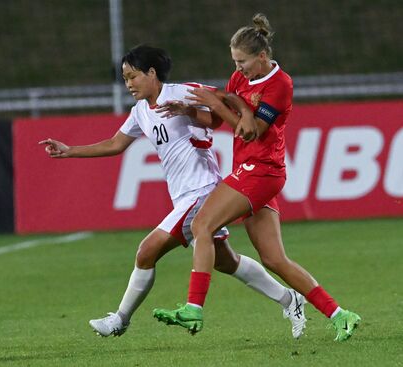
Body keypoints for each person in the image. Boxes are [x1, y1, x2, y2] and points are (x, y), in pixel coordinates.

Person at [39, 44, 307, 339]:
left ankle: (120, 319)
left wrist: (217, 113)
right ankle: (289, 299)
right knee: (225, 261)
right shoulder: (141, 111)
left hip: (202, 189)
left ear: (152, 73)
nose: (128, 84)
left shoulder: (180, 92)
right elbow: (116, 144)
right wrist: (70, 151)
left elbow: (226, 98)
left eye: (133, 76)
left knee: (146, 251)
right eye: (125, 79)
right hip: (182, 194)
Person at [153, 14, 361, 342]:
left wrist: (220, 104)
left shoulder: (281, 84)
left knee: (201, 226)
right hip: (250, 171)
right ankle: (340, 314)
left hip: (262, 170)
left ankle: (194, 307)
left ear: (262, 57)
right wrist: (192, 111)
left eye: (243, 62)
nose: (238, 69)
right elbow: (222, 119)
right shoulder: (239, 79)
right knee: (274, 258)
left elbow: (250, 131)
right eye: (234, 62)